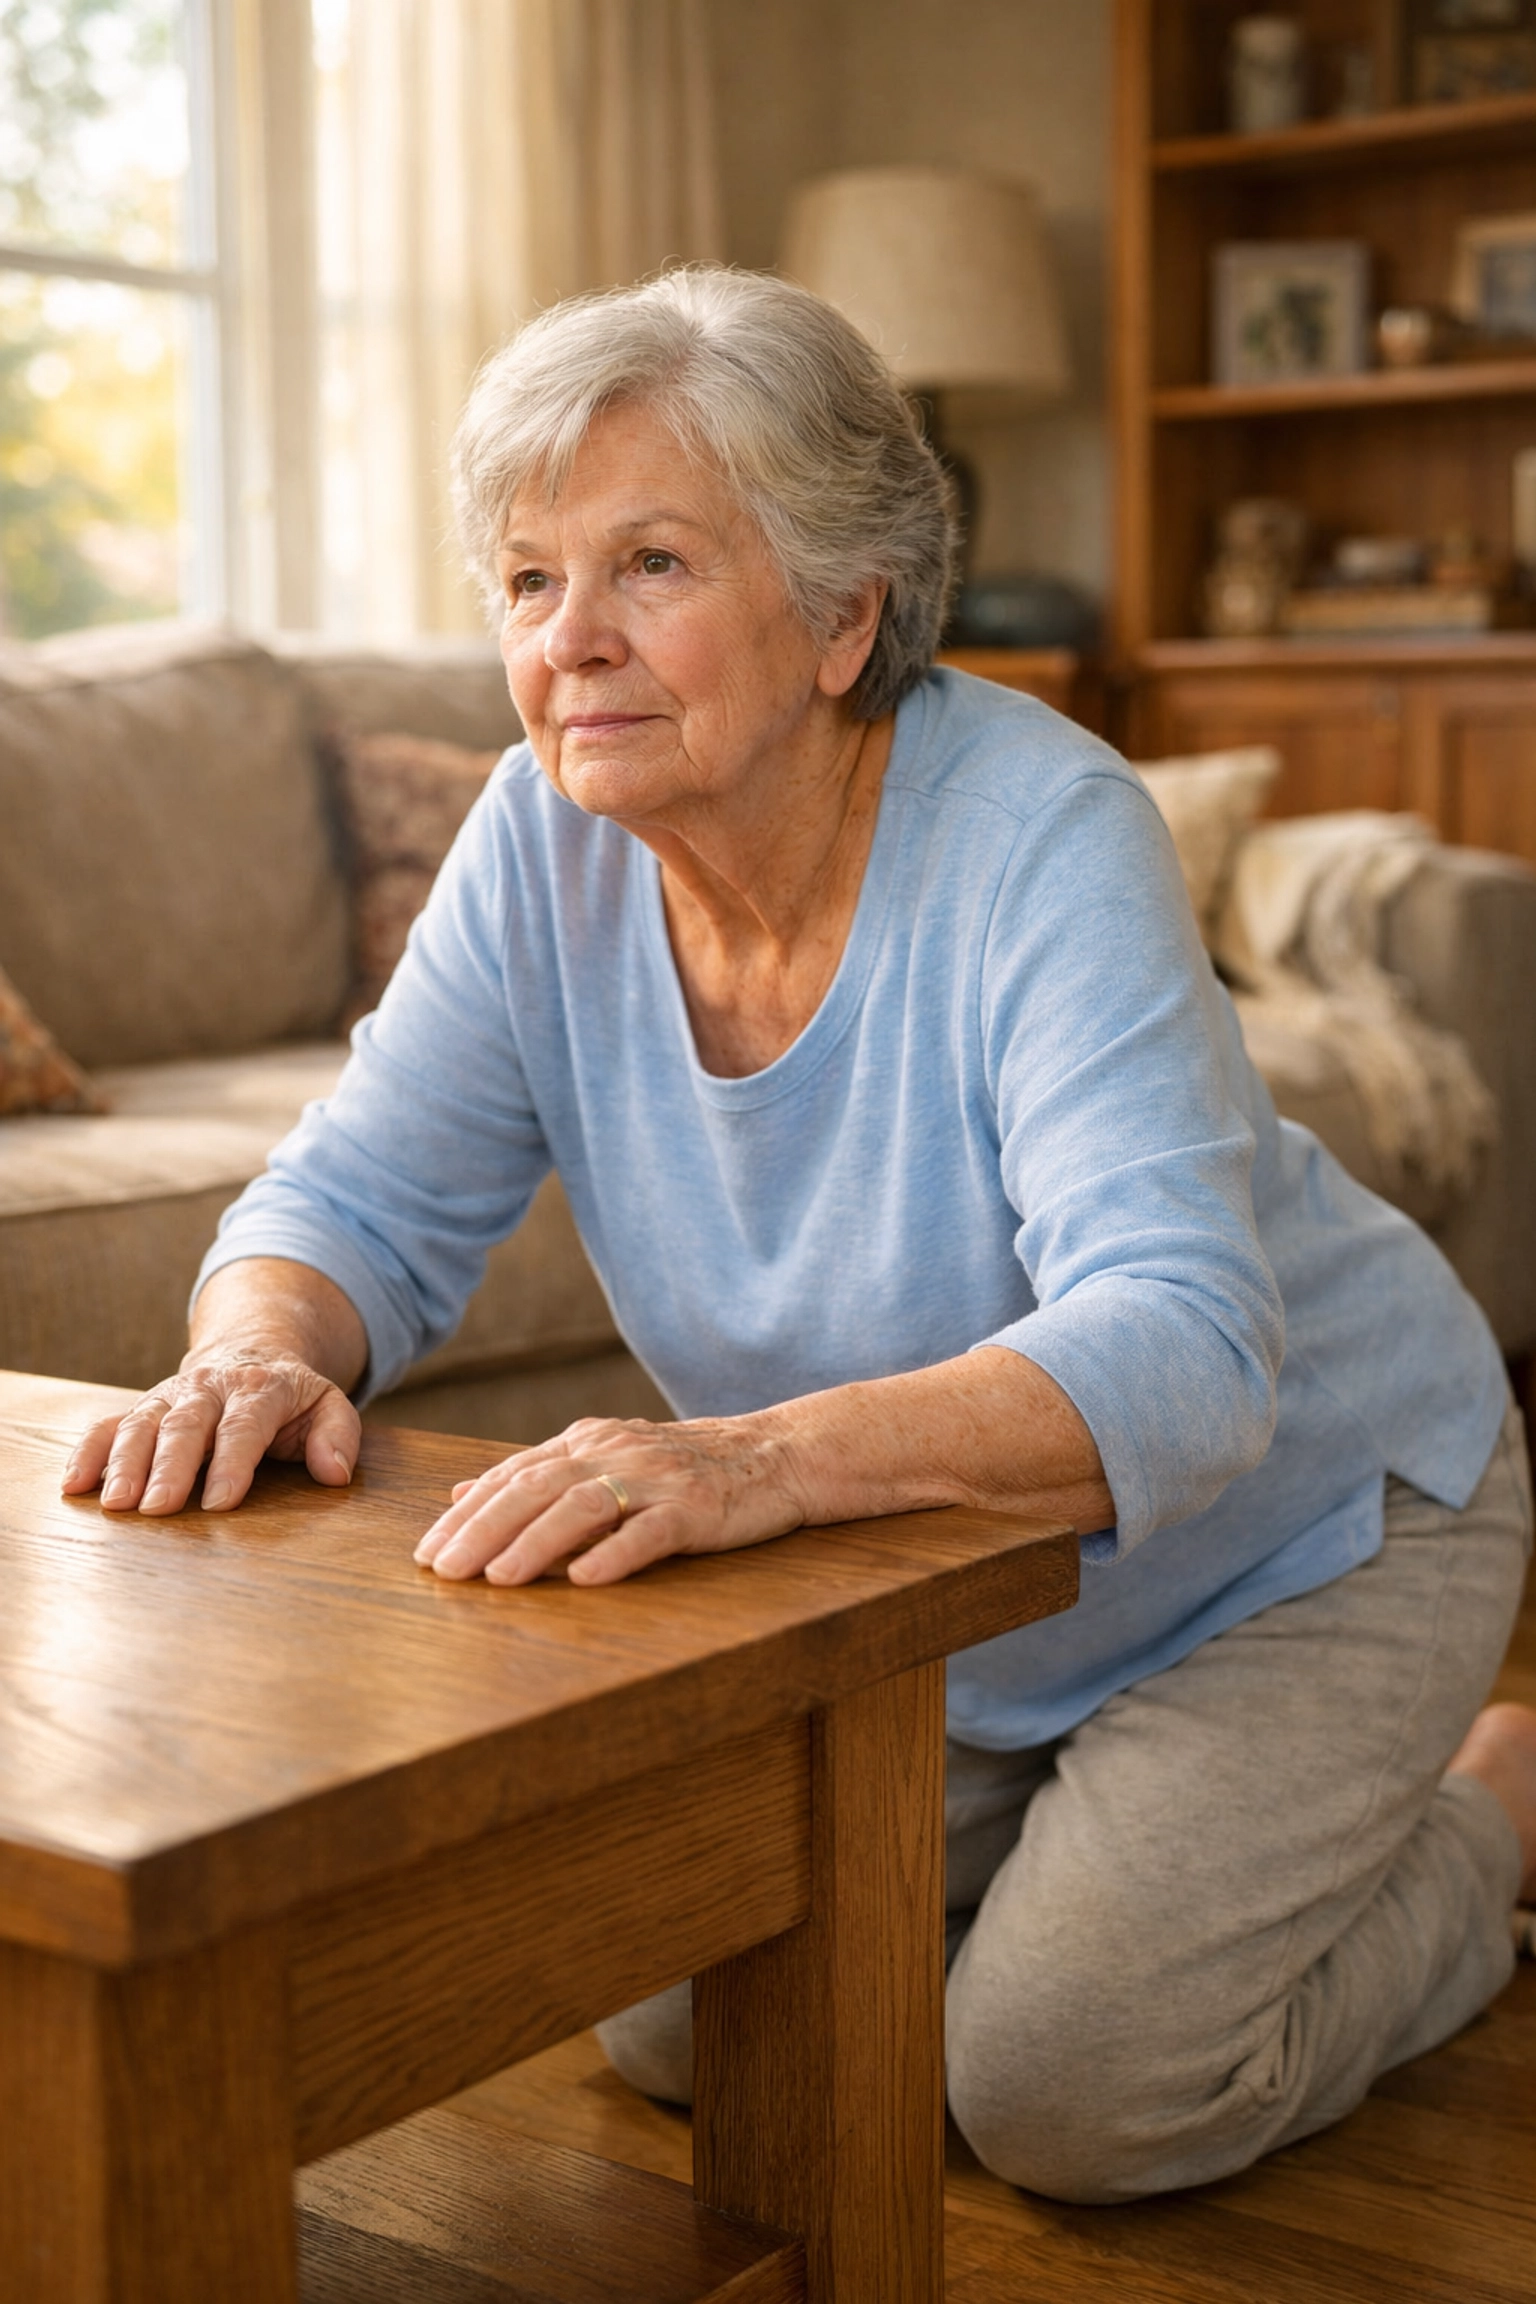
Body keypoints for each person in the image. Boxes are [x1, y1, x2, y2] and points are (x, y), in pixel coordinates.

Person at [63, 267, 1535, 2205]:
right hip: (952, 1581)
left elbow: (1186, 1338)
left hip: (1314, 1531)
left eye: (649, 563)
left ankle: (1491, 1818)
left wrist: (749, 1460)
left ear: (847, 614)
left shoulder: (1041, 834)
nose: (570, 641)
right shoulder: (541, 838)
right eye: (524, 581)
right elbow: (346, 1197)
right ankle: (1095, 1843)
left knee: (1071, 2096)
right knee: (679, 2023)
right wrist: (255, 1345)